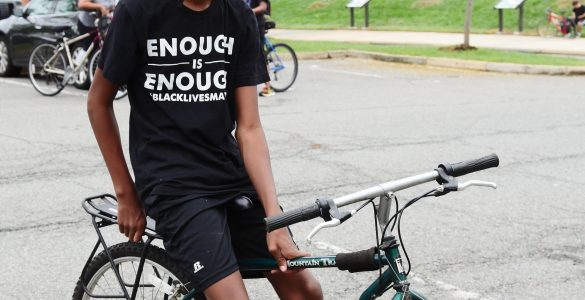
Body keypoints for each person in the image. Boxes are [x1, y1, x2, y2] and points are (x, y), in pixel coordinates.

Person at [87, 0, 323, 299]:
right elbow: (98, 102)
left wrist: (274, 219)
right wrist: (126, 192)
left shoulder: (237, 15)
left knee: (305, 290)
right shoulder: (138, 10)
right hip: (171, 182)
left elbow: (249, 128)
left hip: (228, 172)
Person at [246, 0, 274, 97]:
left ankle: (268, 86)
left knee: (260, 55)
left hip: (258, 25)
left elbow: (263, 6)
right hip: (249, 25)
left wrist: (248, 11)